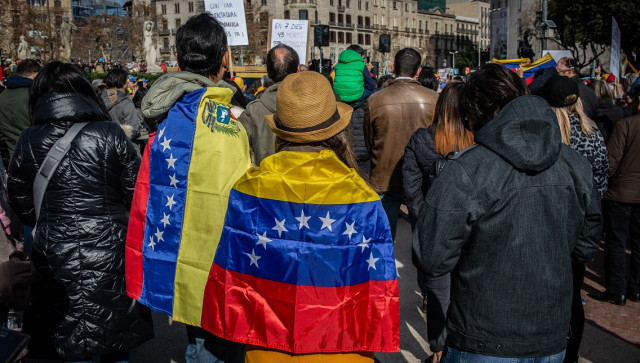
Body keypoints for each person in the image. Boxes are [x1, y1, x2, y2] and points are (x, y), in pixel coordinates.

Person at [200, 70, 400, 363]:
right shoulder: (362, 197)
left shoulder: (248, 189)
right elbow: (377, 286)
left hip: (268, 348)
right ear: (336, 130)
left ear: (281, 129)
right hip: (342, 348)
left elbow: (232, 276)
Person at [416, 63, 602, 362]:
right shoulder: (574, 164)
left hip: (487, 336)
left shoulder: (467, 169)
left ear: (474, 115)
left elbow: (432, 254)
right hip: (542, 333)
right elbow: (586, 242)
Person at [7, 61, 153, 361]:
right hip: (111, 256)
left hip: (54, 259)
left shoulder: (28, 139)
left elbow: (21, 206)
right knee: (115, 344)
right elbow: (136, 195)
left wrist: (52, 222)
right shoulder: (111, 133)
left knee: (67, 345)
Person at [125, 13, 249, 363]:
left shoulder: (160, 113)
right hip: (225, 255)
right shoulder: (234, 115)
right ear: (224, 58)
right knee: (217, 344)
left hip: (180, 251)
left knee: (200, 337)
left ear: (179, 59)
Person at [537, 76, 608, 363]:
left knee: (544, 297)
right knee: (572, 299)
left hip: (546, 228)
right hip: (578, 231)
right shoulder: (592, 134)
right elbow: (601, 181)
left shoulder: (544, 136)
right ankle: (570, 356)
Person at [403, 82, 473, 363]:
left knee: (437, 294)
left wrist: (426, 219)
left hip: (434, 234)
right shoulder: (478, 140)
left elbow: (411, 188)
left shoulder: (422, 139)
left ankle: (439, 350)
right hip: (470, 230)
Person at [364, 47, 438, 240]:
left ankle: (383, 271)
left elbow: (369, 140)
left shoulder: (375, 99)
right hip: (422, 175)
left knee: (384, 240)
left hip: (384, 174)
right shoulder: (435, 99)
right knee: (423, 239)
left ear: (393, 67)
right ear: (419, 71)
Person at [596, 81, 640, 306]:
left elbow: (610, 162)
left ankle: (616, 290)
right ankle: (635, 288)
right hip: (628, 191)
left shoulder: (626, 125)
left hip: (622, 193)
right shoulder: (625, 124)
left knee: (616, 241)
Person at [238, 44, 299, 165]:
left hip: (267, 180)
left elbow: (236, 152)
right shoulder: (316, 104)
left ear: (268, 74)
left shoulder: (253, 111)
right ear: (298, 70)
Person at [0, 59, 40, 168]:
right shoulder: (34, 96)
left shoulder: (2, 96)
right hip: (34, 155)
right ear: (35, 74)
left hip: (9, 156)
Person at [101, 69, 141, 141]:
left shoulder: (98, 99)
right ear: (124, 83)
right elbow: (133, 131)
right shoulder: (126, 102)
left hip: (104, 143)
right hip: (124, 146)